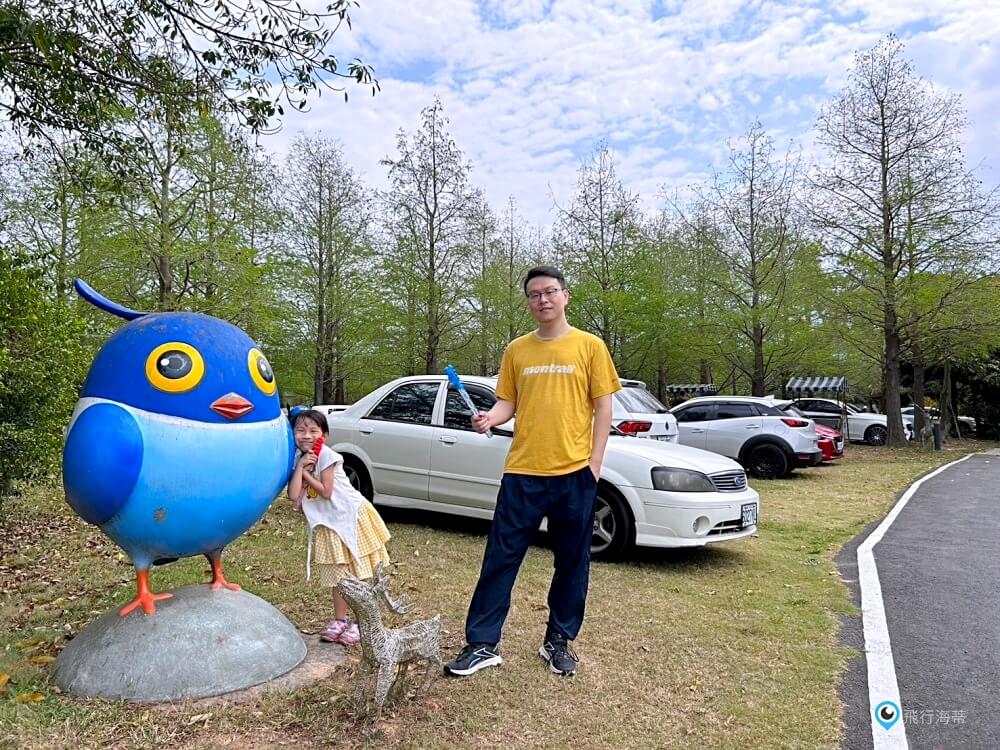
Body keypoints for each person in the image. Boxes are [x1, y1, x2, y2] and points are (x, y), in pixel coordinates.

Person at [444, 265, 621, 678]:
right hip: (522, 472)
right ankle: (483, 643)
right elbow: (509, 403)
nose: (542, 299)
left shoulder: (590, 346)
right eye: (534, 294)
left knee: (572, 562)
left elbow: (604, 408)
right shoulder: (517, 350)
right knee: (500, 558)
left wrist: (594, 466)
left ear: (565, 296)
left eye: (549, 292)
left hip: (574, 473)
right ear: (528, 302)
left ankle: (558, 641)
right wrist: (491, 418)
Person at [287, 409, 392, 646]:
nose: (306, 436)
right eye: (300, 430)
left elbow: (325, 491)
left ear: (324, 434)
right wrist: (300, 468)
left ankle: (360, 623)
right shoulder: (298, 458)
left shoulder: (327, 455)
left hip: (350, 518)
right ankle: (340, 621)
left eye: (313, 431)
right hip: (328, 525)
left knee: (358, 576)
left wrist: (306, 474)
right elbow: (293, 495)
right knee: (339, 577)